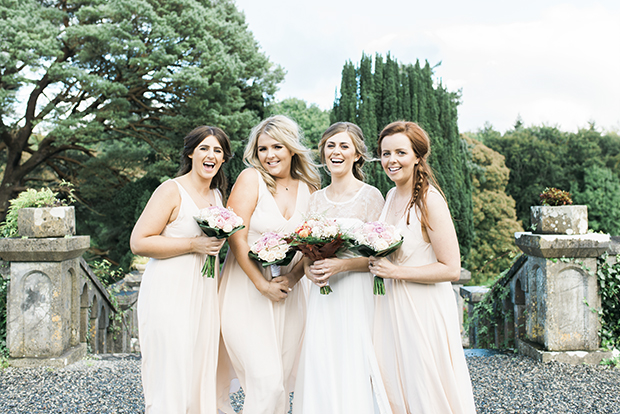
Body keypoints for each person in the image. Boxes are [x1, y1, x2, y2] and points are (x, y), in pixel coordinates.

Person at [369, 121, 476, 414]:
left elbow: (451, 268)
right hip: (390, 305)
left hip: (423, 308)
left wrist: (395, 272)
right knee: (395, 381)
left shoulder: (430, 201)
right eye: (385, 153)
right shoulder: (390, 196)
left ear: (417, 156)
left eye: (400, 152)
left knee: (424, 386)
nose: (391, 160)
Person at [217, 115, 321, 414]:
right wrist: (262, 284)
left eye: (277, 147)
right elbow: (236, 236)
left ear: (291, 149)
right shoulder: (251, 179)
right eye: (262, 149)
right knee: (267, 383)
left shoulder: (309, 188)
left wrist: (293, 278)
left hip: (289, 296)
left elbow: (310, 246)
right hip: (246, 290)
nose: (269, 155)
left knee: (280, 388)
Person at [131, 126, 232, 413]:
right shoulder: (170, 190)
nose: (210, 155)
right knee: (171, 371)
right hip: (169, 292)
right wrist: (193, 244)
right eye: (204, 148)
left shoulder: (217, 197)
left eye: (217, 150)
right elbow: (139, 242)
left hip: (203, 296)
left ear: (223, 159)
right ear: (190, 153)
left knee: (199, 370)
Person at [293, 122, 392, 414]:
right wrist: (311, 268)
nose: (336, 151)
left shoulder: (371, 196)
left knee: (354, 358)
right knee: (322, 358)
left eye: (344, 146)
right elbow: (308, 252)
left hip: (356, 292)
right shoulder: (314, 199)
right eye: (331, 145)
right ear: (323, 152)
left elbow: (381, 255)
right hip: (323, 296)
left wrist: (342, 265)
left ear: (357, 154)